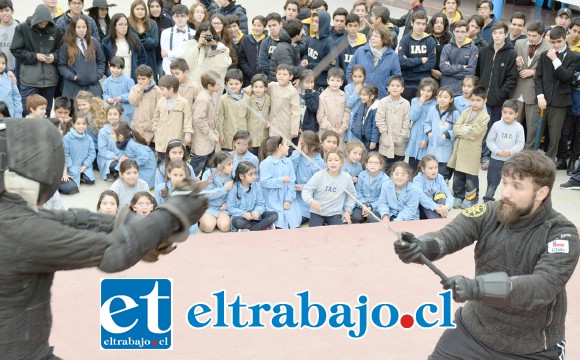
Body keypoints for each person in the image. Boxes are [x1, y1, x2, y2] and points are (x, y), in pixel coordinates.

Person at [0, 117, 207, 360]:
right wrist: (172, 213)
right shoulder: (20, 230)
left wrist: (143, 226)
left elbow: (71, 220)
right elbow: (113, 253)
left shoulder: (13, 216)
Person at [394, 150, 577, 360]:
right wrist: (421, 246)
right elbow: (451, 235)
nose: (505, 193)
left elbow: (542, 286)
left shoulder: (562, 233)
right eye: (504, 182)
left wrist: (477, 287)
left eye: (516, 186)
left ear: (542, 193)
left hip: (532, 346)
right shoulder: (490, 212)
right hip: (474, 330)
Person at [535, 25, 580, 162]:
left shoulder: (574, 56)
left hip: (560, 102)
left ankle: (549, 161)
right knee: (537, 131)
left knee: (555, 134)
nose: (556, 45)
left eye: (559, 42)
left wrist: (555, 59)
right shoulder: (544, 55)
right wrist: (540, 96)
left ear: (564, 38)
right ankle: (532, 159)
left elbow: (566, 77)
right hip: (544, 100)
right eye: (553, 42)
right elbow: (538, 77)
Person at [477, 21, 518, 170]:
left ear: (506, 35)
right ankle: (479, 154)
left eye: (501, 33)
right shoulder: (484, 51)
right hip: (482, 99)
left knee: (492, 129)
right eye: (495, 33)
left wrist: (500, 95)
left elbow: (512, 78)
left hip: (497, 101)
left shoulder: (511, 53)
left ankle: (487, 157)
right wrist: (480, 94)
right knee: (480, 127)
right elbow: (478, 73)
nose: (497, 36)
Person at [11, 4, 63, 117]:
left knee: (45, 113)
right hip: (29, 80)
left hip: (50, 79)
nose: (43, 26)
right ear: (35, 20)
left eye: (46, 23)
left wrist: (54, 56)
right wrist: (35, 56)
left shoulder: (56, 29)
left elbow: (62, 50)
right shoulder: (22, 28)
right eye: (40, 23)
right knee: (28, 112)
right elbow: (16, 50)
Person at [448, 85, 490, 208]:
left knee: (471, 177)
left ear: (484, 101)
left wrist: (464, 130)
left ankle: (471, 198)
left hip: (472, 150)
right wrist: (467, 131)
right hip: (460, 149)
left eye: (478, 100)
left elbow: (476, 133)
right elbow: (456, 128)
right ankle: (458, 196)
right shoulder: (466, 112)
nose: (475, 103)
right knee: (458, 176)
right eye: (473, 100)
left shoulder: (485, 116)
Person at [511, 20, 549, 150]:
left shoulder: (548, 48)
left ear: (542, 35)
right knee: (512, 123)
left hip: (534, 93)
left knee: (532, 127)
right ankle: (511, 151)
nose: (531, 38)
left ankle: (528, 154)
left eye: (534, 36)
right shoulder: (519, 43)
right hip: (517, 90)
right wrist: (516, 63)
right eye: (529, 35)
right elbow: (512, 66)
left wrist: (533, 72)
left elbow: (549, 72)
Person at [483, 99, 525, 202]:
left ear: (516, 114)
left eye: (510, 113)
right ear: (501, 112)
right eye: (505, 112)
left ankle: (511, 198)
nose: (507, 115)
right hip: (496, 158)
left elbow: (520, 144)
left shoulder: (519, 128)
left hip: (511, 160)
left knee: (512, 180)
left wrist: (510, 151)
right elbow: (489, 140)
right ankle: (488, 198)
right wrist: (497, 151)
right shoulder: (496, 125)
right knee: (493, 180)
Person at [302, 150, 356, 226]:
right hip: (317, 212)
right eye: (330, 160)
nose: (332, 162)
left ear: (342, 162)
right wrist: (311, 201)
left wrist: (347, 211)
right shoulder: (319, 175)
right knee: (314, 234)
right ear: (326, 162)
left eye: (336, 160)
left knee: (339, 234)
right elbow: (306, 190)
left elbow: (352, 195)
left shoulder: (346, 177)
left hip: (335, 213)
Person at [58, 14, 106, 99]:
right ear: (73, 28)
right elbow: (61, 66)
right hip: (73, 87)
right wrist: (72, 76)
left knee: (95, 111)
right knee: (77, 111)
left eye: (84, 27)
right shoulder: (66, 45)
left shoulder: (93, 42)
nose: (81, 30)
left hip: (93, 87)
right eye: (78, 27)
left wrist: (97, 75)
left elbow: (101, 61)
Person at [346, 24, 400, 100]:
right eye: (372, 35)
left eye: (376, 36)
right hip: (360, 97)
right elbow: (349, 71)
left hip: (381, 98)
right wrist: (353, 87)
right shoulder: (361, 51)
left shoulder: (393, 56)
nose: (372, 38)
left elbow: (396, 77)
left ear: (384, 39)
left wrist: (387, 90)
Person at [259, 136, 301, 229]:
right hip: (272, 200)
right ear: (280, 146)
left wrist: (288, 200)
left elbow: (291, 183)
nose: (288, 147)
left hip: (287, 198)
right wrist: (280, 180)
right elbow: (264, 182)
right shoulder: (265, 163)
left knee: (294, 222)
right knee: (278, 221)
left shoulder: (288, 162)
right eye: (286, 145)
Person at [227, 161, 278, 232]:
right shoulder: (234, 188)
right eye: (250, 174)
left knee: (274, 215)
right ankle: (261, 227)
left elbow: (261, 204)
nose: (254, 177)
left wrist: (257, 211)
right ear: (241, 176)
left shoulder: (257, 186)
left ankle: (249, 229)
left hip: (257, 217)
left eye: (254, 174)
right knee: (236, 221)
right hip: (242, 217)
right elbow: (231, 208)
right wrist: (243, 214)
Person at [181, 21, 232, 91]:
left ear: (212, 34)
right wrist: (198, 46)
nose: (206, 38)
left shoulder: (219, 46)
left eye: (208, 35)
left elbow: (224, 63)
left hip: (211, 84)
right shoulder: (192, 43)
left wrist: (214, 47)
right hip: (194, 82)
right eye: (203, 36)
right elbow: (185, 59)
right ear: (199, 34)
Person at [152, 74, 193, 160]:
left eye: (162, 89)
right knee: (162, 162)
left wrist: (188, 134)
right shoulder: (160, 101)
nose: (161, 92)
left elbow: (188, 120)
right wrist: (156, 130)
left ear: (171, 89)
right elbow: (156, 118)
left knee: (176, 162)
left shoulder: (183, 103)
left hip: (176, 139)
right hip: (162, 140)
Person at [376, 76, 411, 173]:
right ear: (388, 88)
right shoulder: (383, 102)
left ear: (402, 89)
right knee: (384, 168)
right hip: (386, 141)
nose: (395, 88)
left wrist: (402, 136)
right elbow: (379, 119)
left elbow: (407, 122)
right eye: (392, 85)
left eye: (398, 86)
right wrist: (384, 134)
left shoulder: (406, 104)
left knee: (397, 168)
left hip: (400, 142)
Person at [398, 12, 436, 101]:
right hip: (406, 81)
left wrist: (411, 66)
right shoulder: (405, 40)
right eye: (418, 23)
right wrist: (420, 60)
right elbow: (401, 61)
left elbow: (431, 63)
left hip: (424, 82)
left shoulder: (430, 41)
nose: (420, 27)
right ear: (412, 23)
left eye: (423, 24)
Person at [425, 86, 460, 181]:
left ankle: (442, 190)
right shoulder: (432, 109)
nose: (442, 99)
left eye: (445, 97)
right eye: (440, 96)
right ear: (436, 97)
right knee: (430, 169)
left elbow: (457, 128)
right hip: (432, 145)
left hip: (445, 147)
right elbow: (427, 122)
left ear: (451, 99)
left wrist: (447, 134)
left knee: (442, 172)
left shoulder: (455, 113)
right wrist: (429, 132)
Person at [289, 130, 325, 222]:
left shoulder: (320, 162)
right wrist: (297, 153)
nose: (299, 147)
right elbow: (290, 169)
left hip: (311, 198)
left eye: (302, 145)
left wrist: (304, 187)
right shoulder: (298, 156)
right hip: (296, 196)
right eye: (299, 144)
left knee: (298, 218)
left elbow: (321, 184)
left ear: (312, 147)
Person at [190, 70, 220, 177]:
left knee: (209, 164)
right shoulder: (203, 99)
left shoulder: (211, 96)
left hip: (209, 139)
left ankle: (205, 181)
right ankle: (186, 183)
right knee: (198, 163)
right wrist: (210, 134)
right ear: (209, 86)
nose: (220, 86)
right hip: (203, 138)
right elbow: (198, 119)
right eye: (217, 84)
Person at [101, 13, 147, 83]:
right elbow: (103, 61)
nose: (124, 27)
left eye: (126, 24)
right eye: (121, 24)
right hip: (114, 79)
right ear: (114, 26)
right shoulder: (106, 41)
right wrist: (109, 74)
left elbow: (142, 58)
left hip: (132, 77)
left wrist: (138, 73)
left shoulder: (134, 38)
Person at [59, 113, 97, 194]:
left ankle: (81, 176)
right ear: (73, 124)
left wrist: (85, 165)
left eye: (84, 124)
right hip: (72, 166)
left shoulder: (89, 138)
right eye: (78, 124)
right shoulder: (67, 138)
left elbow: (92, 153)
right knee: (73, 185)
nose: (81, 126)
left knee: (90, 181)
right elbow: (66, 154)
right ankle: (77, 177)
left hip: (84, 166)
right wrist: (71, 167)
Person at [406, 77, 438, 172]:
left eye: (429, 91)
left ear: (433, 92)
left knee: (423, 167)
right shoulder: (415, 101)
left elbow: (434, 124)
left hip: (426, 138)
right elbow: (412, 117)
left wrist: (427, 140)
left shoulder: (435, 104)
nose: (425, 93)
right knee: (411, 167)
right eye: (423, 90)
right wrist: (419, 104)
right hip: (415, 138)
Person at [439, 19, 478, 96]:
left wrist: (449, 72)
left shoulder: (473, 49)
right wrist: (462, 67)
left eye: (463, 32)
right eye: (457, 31)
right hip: (445, 89)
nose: (459, 35)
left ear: (467, 33)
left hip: (462, 91)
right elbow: (443, 68)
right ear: (453, 32)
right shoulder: (447, 47)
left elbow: (470, 71)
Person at [113, 120, 156, 188]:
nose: (111, 135)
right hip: (136, 164)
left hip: (146, 169)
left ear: (120, 136)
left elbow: (144, 158)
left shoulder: (133, 144)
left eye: (112, 133)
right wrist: (121, 158)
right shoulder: (123, 142)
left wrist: (129, 160)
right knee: (122, 163)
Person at [301, 11, 337, 91]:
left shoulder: (329, 43)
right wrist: (305, 58)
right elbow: (306, 53)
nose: (313, 24)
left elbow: (332, 66)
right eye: (313, 21)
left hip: (321, 84)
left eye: (317, 22)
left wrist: (310, 65)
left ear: (324, 24)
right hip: (308, 81)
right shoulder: (310, 38)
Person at [199, 151, 233, 233]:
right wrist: (224, 189)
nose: (232, 167)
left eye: (232, 163)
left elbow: (234, 194)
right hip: (209, 207)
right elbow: (206, 194)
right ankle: (205, 220)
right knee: (208, 227)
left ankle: (218, 221)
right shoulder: (208, 174)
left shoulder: (232, 175)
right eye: (229, 164)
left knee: (225, 227)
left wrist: (228, 204)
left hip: (224, 209)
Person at [352, 152, 389, 223]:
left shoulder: (385, 179)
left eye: (376, 163)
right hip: (362, 203)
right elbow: (358, 191)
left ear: (380, 166)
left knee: (371, 218)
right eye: (370, 162)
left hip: (376, 206)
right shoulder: (362, 175)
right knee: (356, 218)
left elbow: (383, 198)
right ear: (366, 165)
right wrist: (363, 205)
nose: (373, 165)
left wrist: (371, 207)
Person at [128, 64, 161, 144]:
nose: (140, 81)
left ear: (151, 77)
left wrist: (154, 124)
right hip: (137, 126)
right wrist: (140, 90)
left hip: (151, 127)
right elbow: (132, 101)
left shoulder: (157, 90)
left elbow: (160, 109)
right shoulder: (135, 88)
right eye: (138, 79)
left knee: (151, 151)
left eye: (143, 79)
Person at [267, 64, 301, 141]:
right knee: (273, 147)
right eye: (279, 74)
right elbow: (260, 86)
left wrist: (294, 129)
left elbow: (295, 111)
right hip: (273, 125)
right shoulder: (272, 86)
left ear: (291, 77)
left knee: (284, 148)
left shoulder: (293, 92)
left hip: (286, 127)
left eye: (284, 74)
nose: (281, 76)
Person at [413, 154, 453, 219]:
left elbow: (448, 194)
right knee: (427, 194)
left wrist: (446, 207)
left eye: (436, 167)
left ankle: (439, 219)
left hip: (439, 210)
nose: (434, 171)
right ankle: (439, 220)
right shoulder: (418, 179)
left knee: (441, 193)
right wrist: (435, 207)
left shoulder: (439, 177)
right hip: (424, 210)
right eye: (430, 168)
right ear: (423, 169)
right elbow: (420, 196)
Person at [218, 68, 249, 151]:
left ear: (241, 83)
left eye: (236, 84)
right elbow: (220, 118)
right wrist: (221, 134)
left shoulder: (247, 98)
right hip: (228, 135)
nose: (233, 86)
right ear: (226, 84)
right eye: (231, 84)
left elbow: (249, 117)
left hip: (243, 134)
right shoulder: (223, 99)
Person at [317, 67, 349, 145]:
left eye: (338, 81)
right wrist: (331, 129)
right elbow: (320, 117)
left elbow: (347, 111)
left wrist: (343, 128)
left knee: (338, 153)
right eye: (332, 80)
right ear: (328, 81)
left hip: (340, 132)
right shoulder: (322, 96)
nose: (335, 83)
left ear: (342, 82)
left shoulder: (344, 95)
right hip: (326, 132)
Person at [159, 4, 193, 76]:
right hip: (169, 72)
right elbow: (165, 56)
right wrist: (169, 73)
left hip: (188, 72)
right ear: (173, 18)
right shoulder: (165, 33)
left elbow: (190, 55)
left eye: (183, 16)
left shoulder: (194, 34)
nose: (180, 19)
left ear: (187, 17)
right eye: (177, 16)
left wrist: (170, 53)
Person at [128, 0, 159, 79]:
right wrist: (148, 40)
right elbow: (130, 43)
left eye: (142, 9)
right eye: (137, 9)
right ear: (133, 10)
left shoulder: (152, 23)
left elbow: (155, 43)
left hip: (150, 59)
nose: (140, 11)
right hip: (135, 59)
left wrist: (139, 41)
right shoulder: (128, 23)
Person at [97, 105, 126, 181]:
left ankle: (120, 174)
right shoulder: (103, 131)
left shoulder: (124, 128)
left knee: (126, 163)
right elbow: (102, 150)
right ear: (106, 116)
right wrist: (115, 157)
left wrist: (122, 157)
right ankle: (113, 172)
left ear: (120, 117)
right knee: (116, 165)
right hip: (108, 158)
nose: (112, 116)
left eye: (115, 114)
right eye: (110, 114)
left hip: (122, 156)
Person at [103, 56, 135, 123]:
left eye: (118, 68)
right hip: (113, 113)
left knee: (126, 130)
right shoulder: (106, 81)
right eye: (113, 67)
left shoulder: (129, 81)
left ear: (122, 68)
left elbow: (133, 94)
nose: (115, 70)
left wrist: (122, 97)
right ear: (109, 66)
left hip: (126, 112)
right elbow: (105, 94)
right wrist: (108, 99)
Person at [237, 15, 266, 86]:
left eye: (259, 26)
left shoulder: (267, 40)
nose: (256, 28)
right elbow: (241, 58)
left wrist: (264, 72)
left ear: (264, 27)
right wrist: (248, 71)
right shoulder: (245, 39)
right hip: (248, 78)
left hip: (264, 77)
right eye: (254, 25)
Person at [351, 84, 380, 152]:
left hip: (370, 140)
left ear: (372, 96)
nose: (361, 97)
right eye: (361, 94)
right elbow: (356, 117)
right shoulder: (362, 105)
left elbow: (376, 127)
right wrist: (354, 128)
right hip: (362, 137)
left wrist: (374, 141)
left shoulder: (375, 109)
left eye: (364, 95)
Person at [246, 74, 270, 153]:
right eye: (255, 87)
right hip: (251, 132)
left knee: (262, 155)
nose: (258, 89)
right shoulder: (248, 98)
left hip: (263, 133)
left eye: (261, 87)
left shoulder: (268, 98)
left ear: (265, 88)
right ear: (252, 87)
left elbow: (271, 112)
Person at [427, 12, 452, 83]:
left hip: (444, 75)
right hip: (427, 74)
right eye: (436, 22)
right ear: (432, 24)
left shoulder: (450, 38)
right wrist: (431, 71)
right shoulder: (426, 37)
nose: (439, 25)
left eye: (442, 23)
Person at [257, 12, 283, 77]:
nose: (272, 28)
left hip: (285, 77)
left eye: (274, 25)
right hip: (268, 77)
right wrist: (277, 74)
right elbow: (262, 63)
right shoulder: (265, 42)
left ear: (281, 24)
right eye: (269, 26)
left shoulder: (287, 40)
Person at [0, 50, 21, 118]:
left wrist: (18, 115)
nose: (1, 66)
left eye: (3, 63)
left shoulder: (10, 78)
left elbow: (16, 98)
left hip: (10, 116)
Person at [0, 0, 17, 75]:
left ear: (12, 11)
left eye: (7, 10)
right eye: (1, 11)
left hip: (17, 71)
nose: (4, 13)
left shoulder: (19, 27)